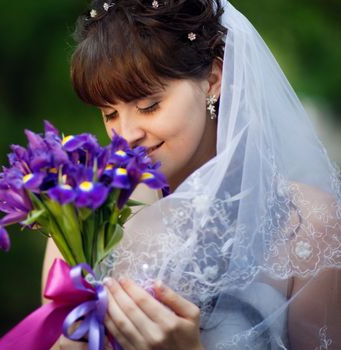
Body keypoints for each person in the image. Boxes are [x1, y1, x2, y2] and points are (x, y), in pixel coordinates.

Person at [42, 0, 341, 348]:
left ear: (213, 80)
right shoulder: (86, 216)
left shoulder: (308, 222)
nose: (126, 134)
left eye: (148, 106)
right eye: (109, 114)